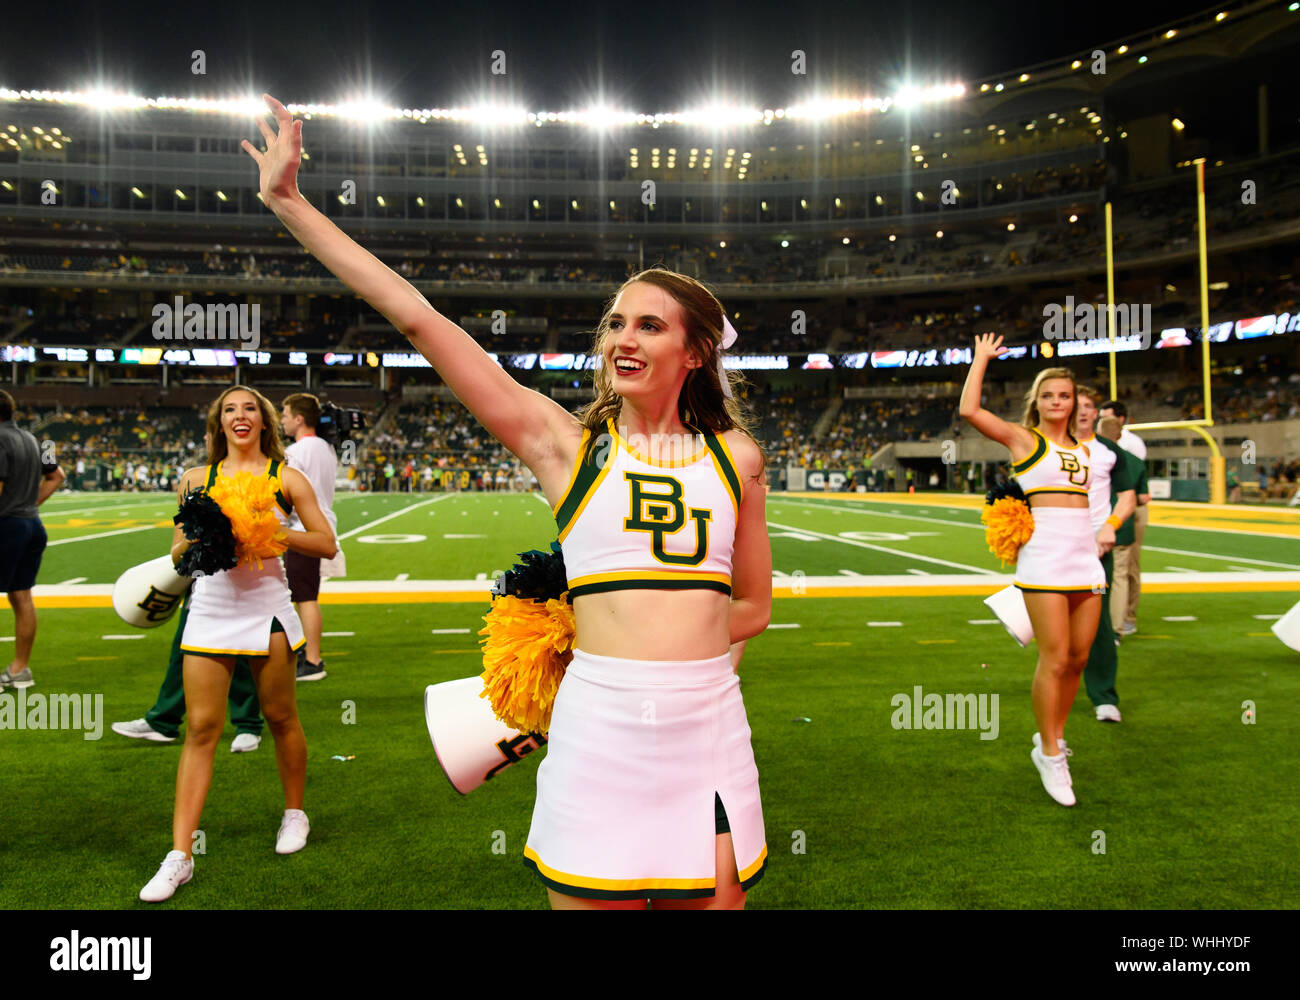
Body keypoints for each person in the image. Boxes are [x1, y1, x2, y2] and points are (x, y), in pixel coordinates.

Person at [243, 94, 771, 909]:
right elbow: (419, 321)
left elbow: (754, 606)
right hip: (597, 732)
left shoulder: (740, 459)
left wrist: (671, 652)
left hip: (709, 728)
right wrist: (288, 204)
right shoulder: (565, 446)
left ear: (696, 351)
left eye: (650, 326)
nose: (623, 338)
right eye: (614, 323)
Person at [138, 384, 337, 903]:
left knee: (280, 717)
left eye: (250, 408)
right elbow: (179, 551)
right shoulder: (195, 480)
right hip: (210, 609)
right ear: (218, 423)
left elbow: (325, 542)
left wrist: (274, 532)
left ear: (266, 423)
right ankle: (180, 855)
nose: (240, 416)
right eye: (230, 409)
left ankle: (295, 814)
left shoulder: (285, 478)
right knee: (202, 727)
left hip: (267, 609)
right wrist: (203, 540)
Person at [959, 338, 1102, 807]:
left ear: (1077, 402)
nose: (1058, 402)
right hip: (1044, 558)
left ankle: (1053, 738)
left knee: (1080, 658)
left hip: (1085, 557)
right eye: (1048, 396)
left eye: (1065, 396)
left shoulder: (1087, 450)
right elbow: (970, 412)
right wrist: (981, 360)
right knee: (1055, 657)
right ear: (1036, 402)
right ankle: (1051, 750)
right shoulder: (1026, 440)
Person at [1073, 392, 1137, 723]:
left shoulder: (1109, 450)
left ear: (1096, 413)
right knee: (1054, 623)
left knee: (1097, 622)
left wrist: (1110, 526)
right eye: (1076, 406)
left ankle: (1103, 694)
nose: (1082, 412)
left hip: (1095, 548)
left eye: (1088, 407)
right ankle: (1058, 688)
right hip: (1055, 547)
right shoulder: (1048, 446)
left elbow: (1128, 496)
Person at [0, 390, 65, 691]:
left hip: (7, 525)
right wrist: (31, 504)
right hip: (31, 524)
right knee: (21, 596)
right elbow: (57, 475)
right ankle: (19, 669)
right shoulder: (34, 438)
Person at [281, 392, 338, 682]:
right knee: (304, 594)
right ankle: (307, 652)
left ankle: (313, 659)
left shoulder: (298, 451)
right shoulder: (325, 448)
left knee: (304, 597)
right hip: (320, 525)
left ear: (299, 419)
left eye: (285, 415)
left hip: (305, 530)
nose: (282, 420)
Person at [1100, 400, 1147, 637]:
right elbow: (1143, 494)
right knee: (1121, 574)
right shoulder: (1132, 459)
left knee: (1111, 573)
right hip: (1121, 518)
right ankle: (1117, 626)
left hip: (1107, 518)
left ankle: (1110, 622)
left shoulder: (1098, 455)